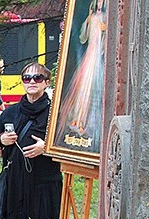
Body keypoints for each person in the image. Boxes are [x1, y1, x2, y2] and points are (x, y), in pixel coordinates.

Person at [0, 62, 62, 219]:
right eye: (27, 78)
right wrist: (2, 140)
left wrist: (46, 148)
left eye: (37, 78)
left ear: (46, 82)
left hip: (46, 185)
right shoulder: (11, 112)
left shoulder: (56, 113)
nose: (31, 82)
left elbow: (70, 143)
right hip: (16, 184)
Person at [55, 0, 105, 153]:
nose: (99, 6)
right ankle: (79, 119)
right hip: (90, 56)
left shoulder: (104, 19)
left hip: (98, 57)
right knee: (83, 88)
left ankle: (88, 122)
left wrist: (104, 31)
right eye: (98, 3)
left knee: (93, 88)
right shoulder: (92, 18)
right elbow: (83, 37)